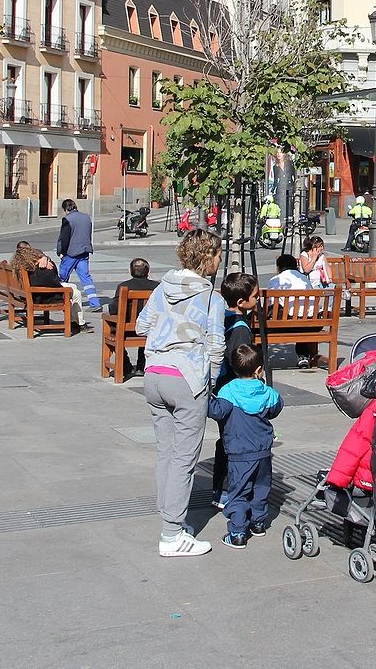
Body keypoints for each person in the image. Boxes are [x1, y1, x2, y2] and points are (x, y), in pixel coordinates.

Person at [136, 229, 227, 557]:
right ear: (207, 258)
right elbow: (217, 346)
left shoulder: (162, 288)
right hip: (188, 379)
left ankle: (170, 520)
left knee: (165, 451)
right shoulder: (211, 299)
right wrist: (211, 381)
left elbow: (140, 327)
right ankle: (172, 535)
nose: (220, 260)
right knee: (184, 458)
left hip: (154, 375)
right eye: (217, 254)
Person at [207, 343, 283, 548]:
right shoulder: (266, 392)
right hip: (263, 452)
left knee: (238, 491)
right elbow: (276, 407)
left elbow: (216, 411)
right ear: (259, 370)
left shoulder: (228, 391)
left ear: (233, 368)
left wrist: (206, 397)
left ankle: (238, 532)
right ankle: (258, 523)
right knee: (261, 489)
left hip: (239, 453)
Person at [210, 273, 263, 509]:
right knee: (233, 442)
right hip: (235, 390)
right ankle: (227, 490)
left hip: (222, 387)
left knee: (226, 439)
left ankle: (219, 489)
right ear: (241, 302)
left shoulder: (224, 317)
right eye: (255, 296)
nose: (258, 299)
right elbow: (239, 361)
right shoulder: (241, 329)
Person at [55, 198, 103, 326]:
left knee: (62, 277)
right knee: (86, 278)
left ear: (66, 209)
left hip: (71, 252)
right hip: (84, 250)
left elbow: (64, 238)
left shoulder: (67, 220)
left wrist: (61, 251)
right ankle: (95, 303)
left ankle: (59, 300)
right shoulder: (86, 217)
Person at [113, 258, 155, 377]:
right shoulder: (157, 287)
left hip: (126, 330)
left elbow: (113, 309)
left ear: (131, 271)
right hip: (150, 330)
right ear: (148, 271)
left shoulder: (123, 286)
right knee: (148, 326)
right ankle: (142, 365)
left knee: (112, 328)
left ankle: (126, 365)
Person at [296, 236, 332, 370]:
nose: (321, 249)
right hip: (310, 285)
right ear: (313, 246)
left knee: (332, 289)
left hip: (321, 284)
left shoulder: (322, 256)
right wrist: (315, 258)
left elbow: (328, 269)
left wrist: (330, 279)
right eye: (319, 246)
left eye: (322, 246)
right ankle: (321, 312)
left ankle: (326, 310)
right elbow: (306, 269)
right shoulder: (305, 255)